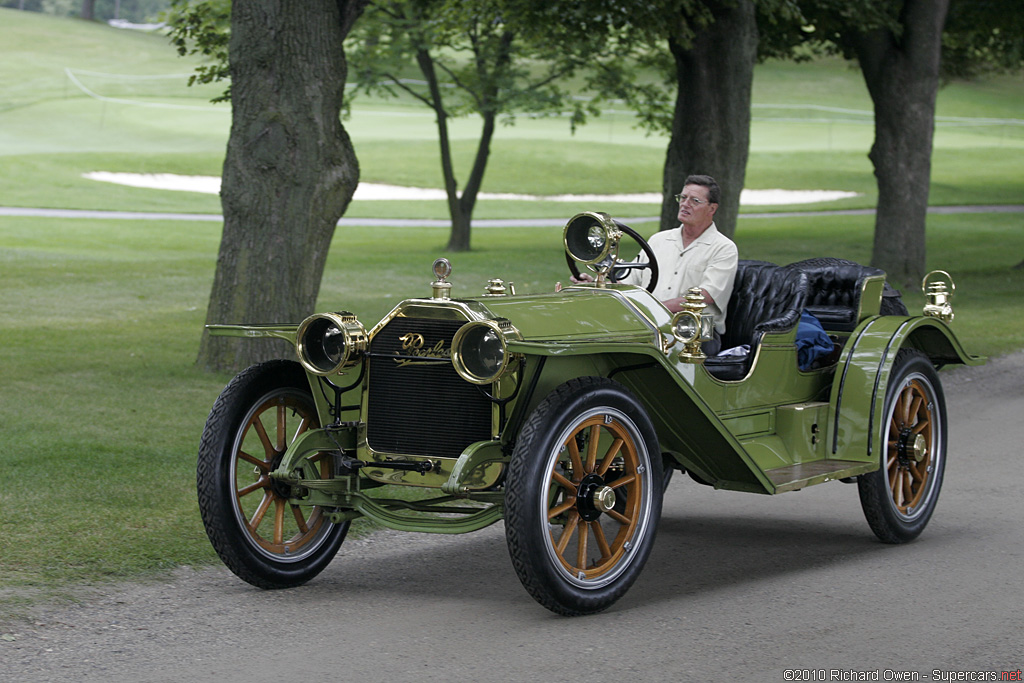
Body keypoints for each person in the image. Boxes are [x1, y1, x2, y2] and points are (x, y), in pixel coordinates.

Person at [623, 175, 738, 355]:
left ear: (712, 208)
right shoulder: (658, 240)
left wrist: (654, 309)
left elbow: (702, 297)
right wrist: (595, 283)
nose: (685, 204)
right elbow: (628, 281)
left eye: (695, 201)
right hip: (650, 322)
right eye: (683, 198)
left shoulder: (724, 248)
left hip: (697, 329)